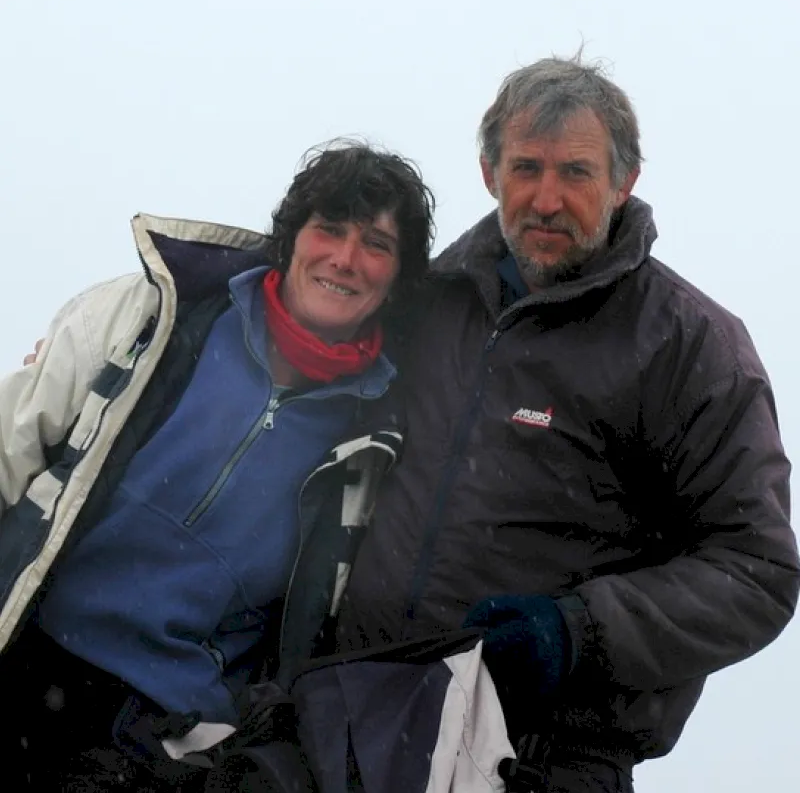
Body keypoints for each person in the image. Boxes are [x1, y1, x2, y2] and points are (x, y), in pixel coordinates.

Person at [333, 56, 799, 792]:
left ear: (625, 183)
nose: (546, 200)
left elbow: (758, 573)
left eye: (576, 174)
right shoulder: (429, 301)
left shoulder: (689, 345)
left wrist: (576, 630)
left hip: (544, 760)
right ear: (490, 175)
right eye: (526, 168)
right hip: (353, 729)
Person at [0, 141, 434, 790]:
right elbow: (11, 448)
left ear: (397, 278)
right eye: (330, 229)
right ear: (290, 239)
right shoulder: (150, 317)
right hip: (23, 645)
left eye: (376, 244)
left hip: (156, 734)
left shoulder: (379, 439)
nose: (345, 259)